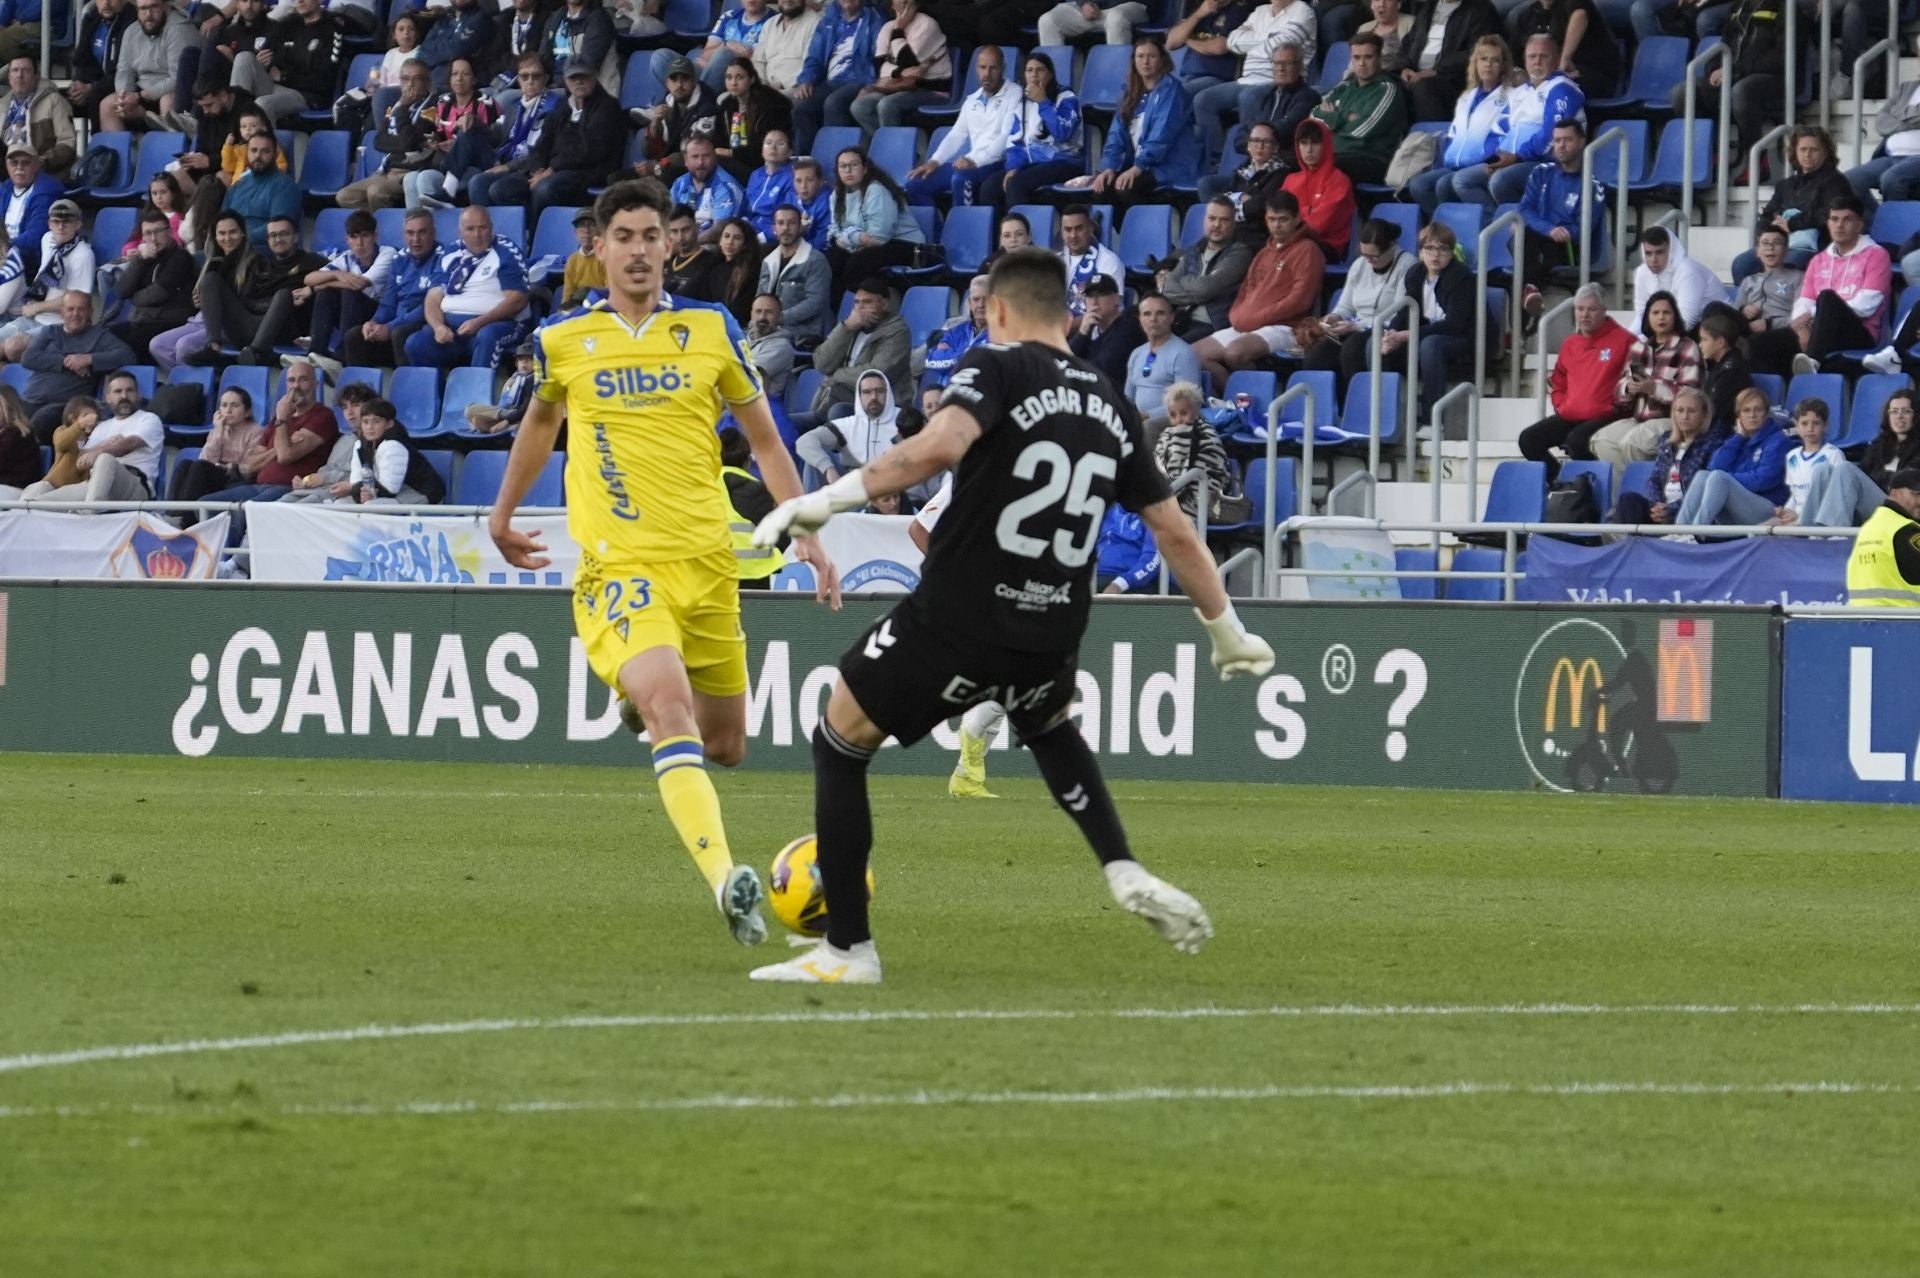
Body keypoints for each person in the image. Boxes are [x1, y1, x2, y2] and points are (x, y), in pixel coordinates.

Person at [744, 247, 1274, 984]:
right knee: (1049, 725)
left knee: (840, 737)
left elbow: (937, 447)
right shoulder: (1115, 404)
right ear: (1065, 312)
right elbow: (1175, 530)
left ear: (997, 310)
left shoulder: (996, 369)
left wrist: (817, 502)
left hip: (962, 613)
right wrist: (1227, 630)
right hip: (1053, 626)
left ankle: (848, 951)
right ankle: (1121, 868)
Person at [488, 178, 837, 949]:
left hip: (709, 566)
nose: (642, 250)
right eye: (626, 237)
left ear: (669, 246)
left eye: (654, 236)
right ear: (600, 247)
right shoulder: (562, 341)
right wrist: (502, 515)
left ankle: (637, 703)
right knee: (669, 707)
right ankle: (726, 882)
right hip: (621, 566)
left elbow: (769, 439)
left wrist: (804, 526)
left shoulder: (712, 329)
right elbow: (539, 427)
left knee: (726, 746)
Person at [1191, 191, 1325, 389]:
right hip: (1249, 324)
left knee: (1235, 353)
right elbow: (1246, 290)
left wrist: (1258, 318)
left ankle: (1265, 398)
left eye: (1283, 220)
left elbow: (1300, 300)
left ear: (1297, 218)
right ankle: (1235, 402)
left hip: (1286, 327)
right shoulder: (1264, 252)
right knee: (1192, 355)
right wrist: (1237, 315)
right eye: (1272, 219)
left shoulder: (1308, 250)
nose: (1277, 225)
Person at [1748, 196, 1891, 377]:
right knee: (1757, 344)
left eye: (1847, 219)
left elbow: (1866, 306)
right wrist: (1803, 327)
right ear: (1828, 223)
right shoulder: (1819, 260)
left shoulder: (1876, 255)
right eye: (1834, 219)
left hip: (1859, 333)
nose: (1839, 225)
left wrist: (1812, 317)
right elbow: (1804, 302)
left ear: (1859, 225)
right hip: (1816, 329)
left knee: (1827, 297)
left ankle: (1813, 360)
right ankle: (1777, 396)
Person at [1448, 33, 1580, 209]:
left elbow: (1553, 134)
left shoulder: (1561, 88)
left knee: (1499, 181)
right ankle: (1494, 225)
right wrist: (1494, 157)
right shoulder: (1521, 92)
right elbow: (1501, 130)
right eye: (1532, 56)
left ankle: (1517, 227)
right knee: (1462, 180)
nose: (1537, 61)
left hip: (1544, 162)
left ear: (1556, 59)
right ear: (1525, 60)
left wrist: (1518, 156)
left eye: (1543, 56)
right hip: (1513, 159)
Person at [199, 359, 340, 522]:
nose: (296, 386)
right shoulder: (278, 419)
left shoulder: (322, 416)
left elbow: (285, 456)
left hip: (289, 488)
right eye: (291, 380)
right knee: (206, 504)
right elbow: (251, 464)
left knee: (244, 513)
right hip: (258, 485)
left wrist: (282, 419)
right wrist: (276, 448)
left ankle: (236, 547)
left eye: (303, 379)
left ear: (316, 384)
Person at [1580, 291, 1701, 479]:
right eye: (1655, 313)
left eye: (1666, 313)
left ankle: (1649, 494)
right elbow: (1620, 390)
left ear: (1675, 316)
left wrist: (1654, 389)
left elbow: (1690, 394)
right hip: (1640, 418)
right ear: (1648, 318)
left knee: (1633, 443)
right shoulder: (1639, 348)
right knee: (1601, 440)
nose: (1661, 317)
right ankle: (1624, 494)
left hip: (1672, 420)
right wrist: (1628, 388)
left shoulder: (1687, 347)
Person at [1516, 282, 1631, 477]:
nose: (1585, 315)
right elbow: (1559, 380)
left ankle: (1594, 489)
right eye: (1580, 309)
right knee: (1528, 440)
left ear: (1603, 310)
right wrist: (1562, 405)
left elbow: (1632, 379)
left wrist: (1616, 407)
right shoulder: (1570, 343)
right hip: (1571, 415)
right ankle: (1562, 483)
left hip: (1607, 416)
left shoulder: (1624, 340)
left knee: (1576, 441)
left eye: (1592, 309)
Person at [405, 206, 531, 371]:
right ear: (460, 232)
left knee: (488, 335)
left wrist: (479, 322)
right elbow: (432, 298)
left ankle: (478, 393)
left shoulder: (506, 251)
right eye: (470, 229)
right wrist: (438, 327)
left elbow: (517, 300)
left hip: (498, 324)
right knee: (416, 343)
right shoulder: (450, 252)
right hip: (452, 328)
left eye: (482, 228)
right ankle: (442, 393)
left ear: (491, 228)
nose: (477, 235)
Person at [1192, 0, 1316, 166]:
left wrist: (1252, 40)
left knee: (1248, 96)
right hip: (1246, 79)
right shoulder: (1260, 11)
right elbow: (1233, 42)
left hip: (1273, 81)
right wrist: (1269, 37)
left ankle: (1250, 160)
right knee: (1203, 100)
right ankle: (1218, 159)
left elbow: (1283, 46)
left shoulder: (1302, 10)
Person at [1302, 215, 1414, 393]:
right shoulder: (1359, 265)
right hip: (1354, 326)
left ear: (1391, 248)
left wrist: (1356, 326)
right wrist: (1334, 317)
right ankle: (1331, 408)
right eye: (1364, 255)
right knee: (1318, 354)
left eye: (1374, 256)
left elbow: (1397, 315)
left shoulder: (1407, 265)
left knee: (1352, 349)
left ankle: (1359, 403)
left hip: (1385, 328)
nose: (1368, 261)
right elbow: (1346, 305)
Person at [1406, 34, 1510, 216]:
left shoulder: (1510, 96)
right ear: (1475, 64)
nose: (1488, 64)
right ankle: (1445, 231)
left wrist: (1483, 159)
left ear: (1502, 66)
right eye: (1483, 59)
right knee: (1419, 185)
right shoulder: (1466, 97)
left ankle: (1492, 226)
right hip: (1457, 163)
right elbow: (1455, 135)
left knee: (1446, 184)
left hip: (1486, 162)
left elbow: (1505, 135)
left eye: (1495, 61)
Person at [1664, 0, 1781, 162]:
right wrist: (1714, 68)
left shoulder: (1786, 7)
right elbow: (1724, 44)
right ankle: (1706, 158)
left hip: (1773, 78)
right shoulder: (1738, 6)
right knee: (1683, 92)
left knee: (1742, 91)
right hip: (1735, 74)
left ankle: (1756, 161)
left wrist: (1736, 70)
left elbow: (1781, 57)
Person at [903, 46, 1019, 208]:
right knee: (915, 184)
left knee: (960, 178)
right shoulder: (972, 99)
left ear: (1003, 68)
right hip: (974, 162)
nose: (987, 73)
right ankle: (938, 231)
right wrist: (935, 161)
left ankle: (965, 229)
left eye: (993, 68)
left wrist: (974, 159)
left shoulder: (1015, 94)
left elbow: (1006, 137)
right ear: (976, 69)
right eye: (982, 67)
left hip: (999, 162)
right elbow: (956, 134)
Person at [1086, 39, 1200, 205]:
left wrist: (1137, 167)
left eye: (1151, 56)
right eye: (1140, 56)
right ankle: (1123, 230)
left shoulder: (1172, 91)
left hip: (1170, 165)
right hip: (1143, 165)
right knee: (1102, 187)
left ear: (1162, 60)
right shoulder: (1130, 92)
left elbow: (1161, 135)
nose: (1145, 62)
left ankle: (1145, 229)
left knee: (1126, 188)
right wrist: (1109, 168)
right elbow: (1115, 135)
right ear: (1134, 61)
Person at [20, 373, 161, 504]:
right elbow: (82, 455)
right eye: (117, 392)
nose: (124, 396)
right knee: (36, 500)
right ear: (108, 398)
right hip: (95, 484)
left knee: (106, 459)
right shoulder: (102, 427)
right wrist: (99, 446)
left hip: (134, 484)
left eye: (129, 390)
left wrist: (100, 452)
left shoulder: (149, 419)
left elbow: (130, 443)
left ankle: (89, 514)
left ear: (138, 395)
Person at [1381, 218, 1473, 413]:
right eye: (1429, 248)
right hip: (1425, 333)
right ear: (1421, 251)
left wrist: (1407, 335)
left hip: (1462, 337)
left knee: (1430, 345)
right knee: (1377, 343)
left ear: (1451, 252)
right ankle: (1389, 412)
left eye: (1443, 249)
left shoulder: (1461, 276)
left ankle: (1432, 417)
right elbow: (1405, 311)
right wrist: (1391, 334)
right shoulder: (1415, 273)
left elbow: (1455, 324)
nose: (1435, 255)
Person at [1673, 384, 1790, 529]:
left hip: (1769, 508)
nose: (1752, 415)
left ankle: (1696, 533)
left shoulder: (1778, 441)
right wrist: (1738, 437)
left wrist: (1728, 478)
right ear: (1739, 416)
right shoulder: (1738, 440)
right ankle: (1679, 530)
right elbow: (1714, 467)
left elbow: (1763, 480)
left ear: (1766, 414)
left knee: (1719, 478)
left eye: (1757, 410)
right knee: (1702, 475)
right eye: (1746, 410)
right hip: (1738, 507)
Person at [20, 292, 136, 439]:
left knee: (42, 419)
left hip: (64, 406)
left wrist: (88, 359)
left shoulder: (100, 336)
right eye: (70, 309)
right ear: (62, 312)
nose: (75, 314)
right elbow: (28, 358)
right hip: (30, 399)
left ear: (90, 312)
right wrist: (66, 362)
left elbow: (128, 355)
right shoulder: (50, 331)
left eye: (81, 309)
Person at [150, 212, 253, 371]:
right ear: (215, 236)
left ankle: (194, 387)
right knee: (158, 345)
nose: (227, 238)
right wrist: (198, 300)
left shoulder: (253, 261)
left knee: (185, 346)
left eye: (232, 232)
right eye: (222, 233)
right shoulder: (211, 261)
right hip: (200, 320)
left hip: (227, 325)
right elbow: (197, 297)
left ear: (243, 233)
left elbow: (248, 302)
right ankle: (186, 384)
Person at [1803, 389, 1920, 527]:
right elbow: (1862, 472)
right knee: (1823, 470)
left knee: (1846, 468)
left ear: (1916, 415)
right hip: (1872, 504)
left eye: (1906, 411)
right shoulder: (1880, 443)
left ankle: (1835, 536)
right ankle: (1805, 531)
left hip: (1898, 510)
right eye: (1894, 411)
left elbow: (1904, 482)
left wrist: (1870, 479)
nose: (1899, 416)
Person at [297, 210, 395, 374]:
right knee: (327, 293)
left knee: (349, 292)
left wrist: (319, 286)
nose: (359, 243)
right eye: (354, 237)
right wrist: (337, 274)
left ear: (375, 236)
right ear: (347, 240)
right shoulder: (347, 257)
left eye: (365, 236)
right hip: (355, 313)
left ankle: (341, 357)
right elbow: (309, 278)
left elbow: (360, 284)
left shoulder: (388, 253)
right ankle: (315, 353)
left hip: (379, 315)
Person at [463, 59, 565, 210]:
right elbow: (495, 136)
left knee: (499, 188)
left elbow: (545, 151)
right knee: (477, 182)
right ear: (518, 79)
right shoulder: (512, 107)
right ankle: (486, 229)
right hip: (509, 162)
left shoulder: (555, 107)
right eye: (524, 76)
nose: (530, 81)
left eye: (536, 76)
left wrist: (508, 167)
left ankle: (523, 231)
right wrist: (476, 123)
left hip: (532, 168)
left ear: (545, 79)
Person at [1308, 31, 1407, 184]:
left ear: (1379, 58)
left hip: (1372, 159)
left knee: (1326, 166)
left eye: (1368, 57)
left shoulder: (1388, 89)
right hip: (1337, 154)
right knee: (1289, 162)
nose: (1361, 63)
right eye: (1356, 57)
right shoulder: (1345, 86)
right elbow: (1313, 119)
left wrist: (1332, 122)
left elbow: (1360, 132)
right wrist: (1344, 118)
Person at [1515, 117, 1601, 295]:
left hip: (1566, 247)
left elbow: (1585, 229)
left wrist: (1557, 232)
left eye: (1568, 140)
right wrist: (1549, 229)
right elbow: (1524, 209)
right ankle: (1530, 292)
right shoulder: (1541, 172)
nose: (1561, 145)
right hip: (1539, 240)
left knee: (1523, 237)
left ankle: (1530, 294)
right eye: (1557, 140)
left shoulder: (1591, 185)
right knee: (1523, 237)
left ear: (1581, 142)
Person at [399, 56, 496, 210]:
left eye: (465, 74)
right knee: (411, 179)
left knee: (466, 136)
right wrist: (435, 142)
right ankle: (416, 227)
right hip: (449, 162)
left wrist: (468, 133)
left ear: (474, 79)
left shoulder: (486, 103)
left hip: (478, 163)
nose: (459, 78)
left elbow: (494, 139)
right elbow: (439, 133)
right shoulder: (443, 102)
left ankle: (447, 194)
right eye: (455, 74)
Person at [345, 207, 439, 368]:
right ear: (404, 235)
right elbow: (388, 303)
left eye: (422, 232)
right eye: (410, 233)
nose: (415, 239)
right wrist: (374, 322)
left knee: (399, 333)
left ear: (433, 233)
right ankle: (360, 390)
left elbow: (429, 307)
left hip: (423, 327)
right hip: (396, 327)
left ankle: (406, 387)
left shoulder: (443, 258)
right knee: (354, 335)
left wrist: (390, 327)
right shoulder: (399, 260)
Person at [1609, 386, 1716, 525]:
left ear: (1704, 415)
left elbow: (1702, 491)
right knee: (1628, 500)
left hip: (1689, 511)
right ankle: (1628, 544)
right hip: (1662, 509)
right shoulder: (1667, 441)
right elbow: (1654, 479)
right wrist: (1657, 505)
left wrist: (1672, 509)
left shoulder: (1712, 445)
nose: (1685, 416)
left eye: (1692, 411)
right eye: (1680, 410)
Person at [788, 0, 883, 154]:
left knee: (834, 103)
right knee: (801, 106)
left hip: (861, 79)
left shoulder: (875, 18)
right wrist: (807, 79)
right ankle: (805, 162)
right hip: (832, 81)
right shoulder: (829, 20)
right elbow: (815, 55)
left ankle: (837, 161)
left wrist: (871, 84)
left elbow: (879, 58)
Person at [0, 197, 91, 355]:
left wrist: (37, 307)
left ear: (78, 224)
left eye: (67, 222)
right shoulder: (47, 239)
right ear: (49, 224)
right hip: (33, 317)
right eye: (56, 222)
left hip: (59, 325)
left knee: (12, 347)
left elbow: (78, 301)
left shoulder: (83, 255)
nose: (61, 227)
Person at [811, 276, 911, 413]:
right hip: (844, 397)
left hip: (880, 406)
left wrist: (836, 375)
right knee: (790, 423)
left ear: (884, 304)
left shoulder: (898, 332)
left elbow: (877, 374)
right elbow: (821, 364)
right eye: (857, 303)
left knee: (837, 410)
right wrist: (845, 328)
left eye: (867, 302)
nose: (860, 308)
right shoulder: (852, 326)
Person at [825, 146, 923, 286]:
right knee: (832, 260)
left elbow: (878, 238)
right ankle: (837, 306)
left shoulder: (876, 190)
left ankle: (866, 304)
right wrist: (855, 237)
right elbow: (835, 230)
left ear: (865, 168)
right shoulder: (836, 195)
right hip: (863, 243)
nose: (848, 170)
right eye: (843, 166)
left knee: (857, 265)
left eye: (854, 165)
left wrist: (849, 237)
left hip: (903, 242)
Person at [850, 0, 951, 135]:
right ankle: (887, 144)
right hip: (897, 87)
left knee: (887, 105)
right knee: (859, 106)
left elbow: (907, 60)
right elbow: (879, 65)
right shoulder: (887, 27)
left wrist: (898, 29)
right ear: (892, 4)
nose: (903, 1)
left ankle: (894, 148)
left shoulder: (927, 24)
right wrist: (901, 72)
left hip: (930, 89)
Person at [1156, 195, 1252, 335]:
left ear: (1233, 223)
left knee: (1173, 350)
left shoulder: (1239, 253)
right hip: (1180, 318)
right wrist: (1194, 288)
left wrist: (1179, 280)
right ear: (1204, 221)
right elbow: (1165, 289)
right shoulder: (1194, 250)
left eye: (1224, 220)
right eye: (1212, 218)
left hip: (1211, 324)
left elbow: (1206, 288)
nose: (1217, 225)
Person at [234, 0, 342, 124]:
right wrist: (263, 63)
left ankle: (263, 143)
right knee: (244, 57)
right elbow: (267, 53)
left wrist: (285, 76)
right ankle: (234, 130)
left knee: (263, 104)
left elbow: (325, 82)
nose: (299, 1)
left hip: (306, 95)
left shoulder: (331, 29)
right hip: (275, 86)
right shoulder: (288, 24)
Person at [113, 208, 199, 354]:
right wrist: (139, 260)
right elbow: (121, 291)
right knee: (104, 337)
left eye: (158, 231)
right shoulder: (144, 259)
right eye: (148, 233)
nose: (153, 238)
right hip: (142, 321)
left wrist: (134, 298)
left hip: (169, 322)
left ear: (170, 232)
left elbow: (159, 293)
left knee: (124, 348)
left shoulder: (181, 258)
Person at [1400, 0, 1502, 122]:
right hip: (1416, 73)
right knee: (1387, 83)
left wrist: (1437, 70)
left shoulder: (1481, 9)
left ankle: (1430, 137)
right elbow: (1408, 42)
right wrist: (1405, 68)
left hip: (1453, 79)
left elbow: (1478, 51)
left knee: (1424, 86)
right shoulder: (1428, 7)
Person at [102, 0, 194, 131]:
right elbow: (124, 71)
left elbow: (179, 79)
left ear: (165, 6)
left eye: (154, 7)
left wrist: (139, 97)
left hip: (171, 91)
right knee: (108, 105)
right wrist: (124, 97)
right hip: (140, 93)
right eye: (143, 9)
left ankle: (169, 150)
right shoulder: (131, 31)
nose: (148, 14)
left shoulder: (179, 29)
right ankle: (114, 151)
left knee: (168, 101)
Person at [633, 55, 720, 184]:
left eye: (685, 79)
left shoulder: (706, 107)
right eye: (674, 79)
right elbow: (649, 152)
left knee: (664, 176)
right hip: (666, 165)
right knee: (616, 178)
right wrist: (654, 125)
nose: (679, 85)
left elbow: (694, 152)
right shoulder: (667, 102)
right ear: (667, 83)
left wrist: (658, 166)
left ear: (694, 81)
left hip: (693, 169)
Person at [799, 367, 899, 480]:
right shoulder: (848, 424)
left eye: (880, 391)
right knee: (814, 460)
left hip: (893, 485)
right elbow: (804, 441)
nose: (874, 397)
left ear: (888, 393)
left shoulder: (903, 419)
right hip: (856, 487)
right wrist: (828, 469)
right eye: (867, 392)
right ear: (859, 396)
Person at [1233, 44, 1320, 171]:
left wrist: (1256, 143)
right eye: (1277, 63)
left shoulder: (1308, 97)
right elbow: (1240, 138)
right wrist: (1262, 144)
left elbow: (1285, 129)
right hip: (1254, 166)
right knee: (1210, 184)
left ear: (1300, 66)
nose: (1281, 69)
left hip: (1283, 167)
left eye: (1288, 63)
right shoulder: (1264, 96)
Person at [1506, 0, 1617, 99]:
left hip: (1591, 73)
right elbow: (1517, 55)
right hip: (1548, 77)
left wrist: (1564, 61)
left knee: (1555, 86)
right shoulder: (1528, 15)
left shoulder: (1573, 4)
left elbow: (1579, 15)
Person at [1153, 378, 1232, 516]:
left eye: (1184, 413)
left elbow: (1182, 480)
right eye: (1173, 415)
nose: (1178, 420)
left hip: (1196, 503)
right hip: (1170, 499)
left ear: (1196, 411)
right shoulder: (1168, 434)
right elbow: (1157, 468)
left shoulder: (1206, 435)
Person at [170, 385, 261, 502]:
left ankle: (182, 515)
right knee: (184, 465)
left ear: (247, 412)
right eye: (224, 405)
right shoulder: (217, 429)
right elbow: (205, 459)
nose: (228, 410)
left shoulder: (256, 432)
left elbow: (249, 468)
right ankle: (172, 511)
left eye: (235, 405)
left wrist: (227, 467)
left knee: (200, 467)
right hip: (213, 474)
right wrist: (218, 433)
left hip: (236, 477)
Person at [1843, 467, 1920, 605]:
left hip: (1861, 619)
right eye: (1917, 494)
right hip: (1903, 620)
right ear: (1895, 493)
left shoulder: (1870, 527)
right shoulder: (1907, 531)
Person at [1280, 117, 1354, 259]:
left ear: (1325, 145)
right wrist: (1307, 213)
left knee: (1298, 249)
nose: (1309, 149)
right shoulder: (1291, 180)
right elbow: (1274, 213)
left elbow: (1319, 225)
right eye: (1303, 143)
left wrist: (1291, 220)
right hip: (1293, 240)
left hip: (1327, 246)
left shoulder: (1339, 180)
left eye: (1315, 143)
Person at [344, 396, 441, 504]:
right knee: (340, 504)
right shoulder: (360, 445)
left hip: (420, 492)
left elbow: (389, 490)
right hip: (378, 491)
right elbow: (356, 480)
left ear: (389, 424)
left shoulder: (394, 445)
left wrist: (367, 493)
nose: (370, 427)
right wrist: (360, 493)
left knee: (371, 505)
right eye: (365, 422)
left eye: (376, 422)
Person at [757, 203, 831, 344]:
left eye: (791, 223)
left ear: (800, 227)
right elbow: (760, 298)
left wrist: (779, 318)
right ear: (774, 229)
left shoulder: (815, 260)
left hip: (802, 333)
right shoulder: (768, 261)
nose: (785, 228)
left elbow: (816, 302)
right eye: (780, 223)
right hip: (770, 328)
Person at [1630, 226, 1726, 332]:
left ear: (1671, 250)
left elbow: (1686, 322)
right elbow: (1643, 316)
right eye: (1648, 253)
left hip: (1719, 328)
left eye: (1660, 252)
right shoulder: (1642, 272)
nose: (1653, 260)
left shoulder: (1688, 270)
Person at [713, 59, 792, 185]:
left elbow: (767, 149)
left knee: (715, 163)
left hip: (764, 167)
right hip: (735, 161)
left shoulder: (772, 105)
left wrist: (731, 153)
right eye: (729, 77)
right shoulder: (727, 105)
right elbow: (717, 139)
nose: (733, 83)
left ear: (752, 79)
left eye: (740, 77)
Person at [1125, 294, 1201, 418]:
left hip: (1171, 422)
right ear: (1140, 319)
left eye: (1160, 313)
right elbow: (1128, 398)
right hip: (1139, 421)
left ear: (1171, 317)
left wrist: (1147, 416)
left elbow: (1189, 403)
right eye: (1147, 314)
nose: (1153, 319)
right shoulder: (1136, 353)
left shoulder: (1183, 353)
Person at [0, 56, 76, 180]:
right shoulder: (2, 106)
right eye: (15, 70)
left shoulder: (54, 101)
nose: (20, 75)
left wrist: (42, 161)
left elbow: (68, 142)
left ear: (37, 77)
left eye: (26, 70)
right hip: (7, 167)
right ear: (9, 77)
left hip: (42, 169)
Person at [223, 132, 301, 248]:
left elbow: (278, 227)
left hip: (261, 250)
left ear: (275, 154)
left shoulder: (285, 186)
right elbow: (222, 218)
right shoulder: (239, 183)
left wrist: (240, 239)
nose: (258, 156)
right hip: (230, 245)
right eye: (253, 151)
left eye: (265, 151)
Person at [1775, 397, 1845, 525]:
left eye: (1816, 423)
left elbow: (1836, 497)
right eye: (1804, 423)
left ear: (1826, 426)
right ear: (1797, 425)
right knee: (1762, 529)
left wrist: (1800, 516)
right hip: (1796, 517)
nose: (1810, 428)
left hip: (1820, 518)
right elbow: (1795, 495)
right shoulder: (1792, 456)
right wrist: (1786, 511)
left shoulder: (1833, 455)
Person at [1068, 272, 1145, 386]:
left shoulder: (1129, 328)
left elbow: (1102, 371)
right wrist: (1082, 333)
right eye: (1090, 295)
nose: (1094, 301)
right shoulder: (1090, 327)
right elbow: (1063, 361)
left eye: (1101, 295)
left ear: (1117, 299)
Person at [1734, 226, 1806, 337]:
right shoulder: (1749, 281)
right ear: (1757, 251)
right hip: (1748, 330)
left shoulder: (1798, 278)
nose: (1770, 248)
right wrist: (1743, 310)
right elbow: (1734, 313)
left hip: (1780, 333)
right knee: (1715, 309)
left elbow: (1803, 317)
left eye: (1777, 243)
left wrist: (1769, 324)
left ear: (1786, 251)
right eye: (1765, 243)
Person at [673, 134, 747, 243]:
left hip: (715, 248)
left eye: (706, 156)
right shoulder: (679, 184)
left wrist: (685, 245)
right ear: (686, 160)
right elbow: (667, 220)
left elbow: (718, 231)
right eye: (695, 157)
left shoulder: (726, 186)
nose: (701, 163)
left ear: (715, 157)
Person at [921, 273, 989, 387]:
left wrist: (949, 354)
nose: (981, 305)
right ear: (969, 304)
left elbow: (984, 367)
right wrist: (968, 356)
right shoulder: (956, 331)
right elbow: (931, 361)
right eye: (976, 299)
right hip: (946, 396)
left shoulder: (1002, 334)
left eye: (986, 299)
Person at [1058, 203, 1125, 318]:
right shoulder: (1055, 261)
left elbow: (1108, 311)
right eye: (1068, 230)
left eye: (1079, 228)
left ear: (1090, 229)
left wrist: (1065, 327)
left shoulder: (1109, 261)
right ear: (1062, 233)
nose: (1073, 235)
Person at [752, 0, 822, 99]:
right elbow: (758, 61)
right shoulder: (769, 24)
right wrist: (762, 84)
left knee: (767, 102)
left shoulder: (815, 23)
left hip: (795, 87)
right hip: (764, 87)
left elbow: (811, 64)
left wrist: (783, 84)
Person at [465, 344, 539, 434]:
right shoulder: (515, 378)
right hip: (505, 412)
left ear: (536, 363)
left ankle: (508, 425)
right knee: (475, 417)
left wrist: (506, 421)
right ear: (516, 363)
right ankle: (506, 427)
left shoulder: (533, 380)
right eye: (520, 360)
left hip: (519, 415)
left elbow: (526, 408)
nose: (524, 363)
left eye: (528, 360)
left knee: (471, 411)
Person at [664, 202, 729, 301]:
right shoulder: (666, 262)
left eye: (685, 230)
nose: (680, 237)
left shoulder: (713, 262)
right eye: (674, 231)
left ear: (696, 227)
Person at [742, 292, 795, 395]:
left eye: (769, 312)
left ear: (779, 317)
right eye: (758, 311)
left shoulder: (781, 346)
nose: (762, 317)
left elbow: (746, 376)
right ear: (751, 314)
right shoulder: (742, 338)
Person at [714, 217, 763, 322]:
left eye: (737, 238)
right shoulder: (714, 269)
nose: (730, 242)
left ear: (745, 244)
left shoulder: (750, 273)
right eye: (726, 236)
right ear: (720, 241)